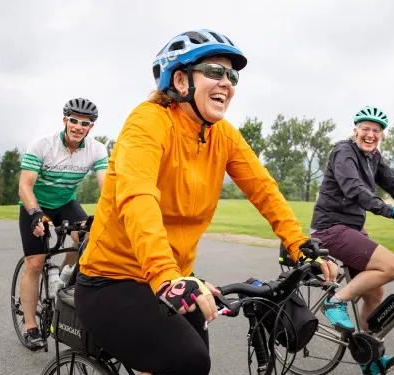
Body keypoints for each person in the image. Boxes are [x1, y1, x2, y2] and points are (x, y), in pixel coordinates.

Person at [75, 29, 336, 375]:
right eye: (215, 71)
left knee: (195, 362)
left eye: (232, 75)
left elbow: (263, 187)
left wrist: (297, 242)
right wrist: (166, 276)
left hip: (175, 277)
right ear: (181, 80)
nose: (226, 83)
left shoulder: (223, 134)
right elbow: (138, 197)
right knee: (188, 361)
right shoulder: (147, 122)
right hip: (113, 279)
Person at [310, 106, 394, 375]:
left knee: (375, 292)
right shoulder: (343, 151)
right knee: (390, 266)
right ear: (355, 129)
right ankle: (335, 301)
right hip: (330, 228)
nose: (370, 134)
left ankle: (368, 358)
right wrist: (392, 211)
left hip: (353, 230)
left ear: (381, 135)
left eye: (376, 130)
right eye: (366, 129)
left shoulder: (374, 158)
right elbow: (353, 189)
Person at [18, 97, 108, 350]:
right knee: (35, 263)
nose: (79, 126)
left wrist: (111, 213)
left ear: (91, 127)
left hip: (66, 202)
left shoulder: (97, 149)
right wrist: (36, 213)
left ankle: (65, 275)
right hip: (36, 203)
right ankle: (30, 326)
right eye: (74, 120)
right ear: (65, 120)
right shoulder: (43, 144)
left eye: (85, 123)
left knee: (86, 239)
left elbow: (107, 186)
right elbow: (25, 185)